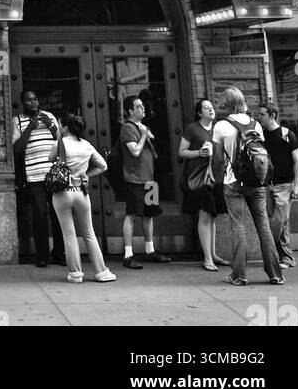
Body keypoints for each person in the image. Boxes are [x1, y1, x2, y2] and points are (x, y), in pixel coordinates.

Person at [212, 86, 283, 286]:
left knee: (238, 227)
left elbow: (217, 159)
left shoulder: (221, 126)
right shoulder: (255, 124)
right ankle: (275, 274)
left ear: (226, 103)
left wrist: (216, 178)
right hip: (257, 182)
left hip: (233, 182)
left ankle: (239, 275)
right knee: (264, 227)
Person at [50, 114, 116, 283]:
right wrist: (86, 174)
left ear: (65, 128)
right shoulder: (86, 145)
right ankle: (102, 272)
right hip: (81, 192)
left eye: (59, 125)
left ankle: (75, 274)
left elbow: (50, 159)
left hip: (62, 193)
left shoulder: (59, 144)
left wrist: (58, 139)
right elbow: (103, 166)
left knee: (69, 235)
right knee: (89, 233)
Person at [12, 89, 65, 268]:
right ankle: (42, 255)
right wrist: (30, 127)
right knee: (40, 215)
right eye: (29, 100)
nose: (34, 103)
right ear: (23, 103)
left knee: (58, 214)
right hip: (34, 176)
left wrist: (51, 127)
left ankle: (59, 253)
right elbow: (17, 149)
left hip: (54, 175)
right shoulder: (18, 121)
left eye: (35, 99)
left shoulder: (49, 115)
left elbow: (60, 142)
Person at [120, 94, 171, 268]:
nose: (143, 109)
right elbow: (134, 151)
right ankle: (128, 255)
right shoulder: (127, 128)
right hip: (134, 179)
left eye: (143, 106)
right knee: (132, 214)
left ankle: (150, 251)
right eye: (139, 106)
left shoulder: (143, 127)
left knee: (150, 215)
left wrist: (146, 133)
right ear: (130, 110)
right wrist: (143, 135)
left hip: (149, 179)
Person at [178, 99, 224, 272]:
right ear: (199, 113)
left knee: (212, 216)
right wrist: (199, 152)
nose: (211, 110)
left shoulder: (218, 128)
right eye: (206, 108)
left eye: (212, 107)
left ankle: (213, 254)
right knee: (204, 216)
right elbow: (181, 152)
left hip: (216, 177)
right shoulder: (193, 129)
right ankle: (207, 259)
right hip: (199, 178)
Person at [256, 103, 298, 269]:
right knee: (282, 223)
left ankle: (268, 251)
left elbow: (297, 161)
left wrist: (296, 186)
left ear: (272, 115)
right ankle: (286, 258)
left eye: (262, 114)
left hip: (285, 184)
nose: (258, 117)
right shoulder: (260, 136)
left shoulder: (287, 134)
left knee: (278, 221)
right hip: (267, 185)